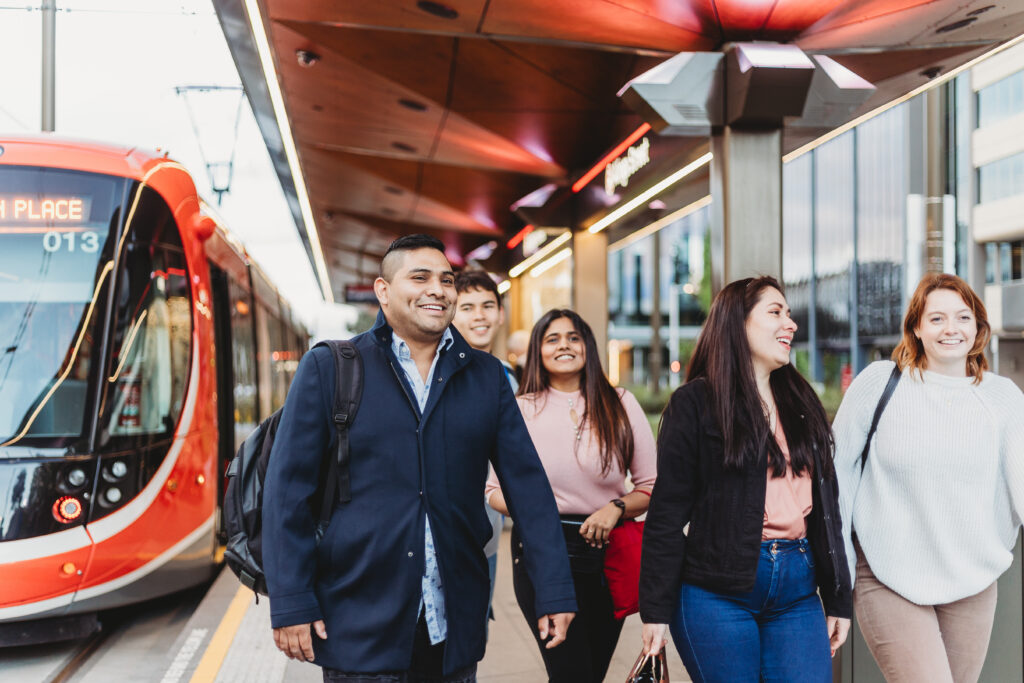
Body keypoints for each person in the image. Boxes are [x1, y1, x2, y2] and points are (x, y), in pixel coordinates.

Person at [263, 235, 577, 682]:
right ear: (383, 291)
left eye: (446, 280)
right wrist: (291, 600)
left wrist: (555, 590)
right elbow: (287, 493)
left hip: (451, 626)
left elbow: (529, 490)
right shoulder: (332, 369)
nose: (438, 289)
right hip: (356, 620)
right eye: (420, 277)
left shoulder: (485, 377)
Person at [640, 276, 852, 683]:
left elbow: (827, 509)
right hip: (715, 592)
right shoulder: (696, 403)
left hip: (797, 590)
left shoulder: (800, 401)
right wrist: (655, 610)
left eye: (789, 314)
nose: (790, 324)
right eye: (775, 313)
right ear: (737, 323)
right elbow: (665, 516)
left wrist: (838, 596)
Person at [833, 272, 1024, 682]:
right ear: (916, 328)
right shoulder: (879, 384)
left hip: (972, 578)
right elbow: (837, 477)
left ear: (977, 327)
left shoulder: (1003, 398)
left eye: (962, 317)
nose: (951, 328)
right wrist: (839, 573)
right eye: (936, 318)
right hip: (887, 573)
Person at [486, 308, 657, 683]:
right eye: (552, 339)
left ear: (588, 347)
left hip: (606, 552)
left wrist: (616, 508)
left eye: (573, 337)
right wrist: (539, 513)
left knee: (590, 673)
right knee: (570, 673)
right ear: (538, 351)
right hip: (541, 553)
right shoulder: (519, 410)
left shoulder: (621, 403)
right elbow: (494, 492)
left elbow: (652, 487)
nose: (564, 345)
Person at [451, 269, 516, 636]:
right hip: (448, 530)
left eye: (488, 305)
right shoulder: (439, 374)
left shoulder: (510, 377)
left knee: (473, 638)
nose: (479, 316)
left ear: (501, 313)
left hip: (488, 536)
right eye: (468, 307)